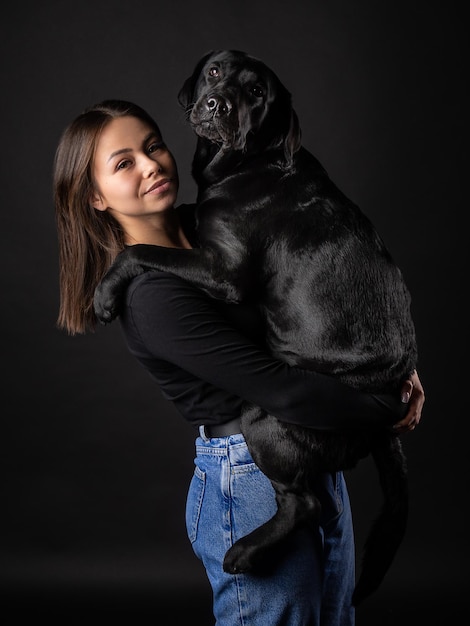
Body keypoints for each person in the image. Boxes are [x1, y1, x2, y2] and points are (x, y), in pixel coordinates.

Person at [53, 99, 424, 626]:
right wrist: (385, 407)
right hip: (251, 479)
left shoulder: (216, 224)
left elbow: (323, 294)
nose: (151, 165)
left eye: (153, 145)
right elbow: (279, 388)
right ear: (94, 196)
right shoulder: (150, 297)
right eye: (124, 163)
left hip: (311, 460)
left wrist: (393, 369)